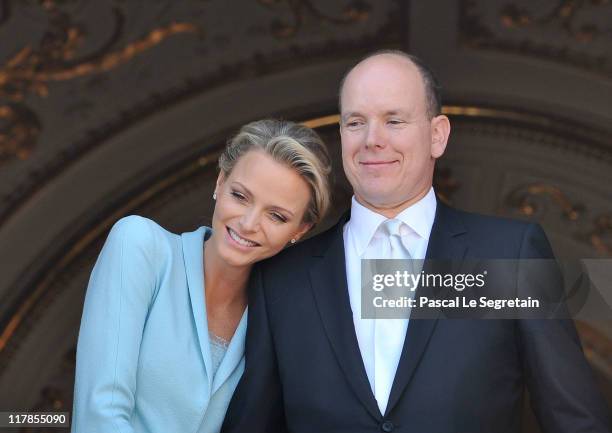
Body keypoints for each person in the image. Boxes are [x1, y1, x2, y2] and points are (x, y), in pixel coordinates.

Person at [222, 51, 611, 432]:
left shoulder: (510, 255)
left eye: (394, 120)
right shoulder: (281, 279)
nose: (373, 139)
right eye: (356, 122)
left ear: (437, 135)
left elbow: (574, 418)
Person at [71, 119, 332, 433]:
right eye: (240, 196)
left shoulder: (281, 318)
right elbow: (99, 416)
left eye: (276, 215)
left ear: (300, 230)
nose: (249, 223)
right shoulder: (141, 245)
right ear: (220, 183)